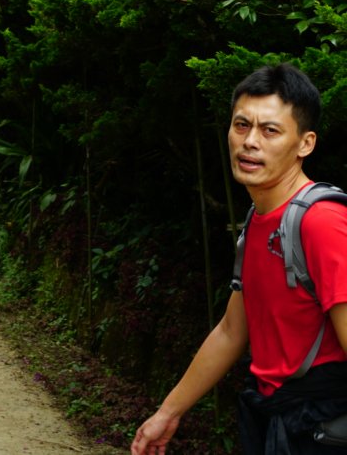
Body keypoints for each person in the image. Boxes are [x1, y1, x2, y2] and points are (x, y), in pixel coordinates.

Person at [131, 63, 347, 455]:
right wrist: (168, 412)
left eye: (270, 130)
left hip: (319, 426)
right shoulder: (258, 222)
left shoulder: (322, 222)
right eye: (241, 125)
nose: (249, 142)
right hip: (272, 417)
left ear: (305, 143)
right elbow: (232, 330)